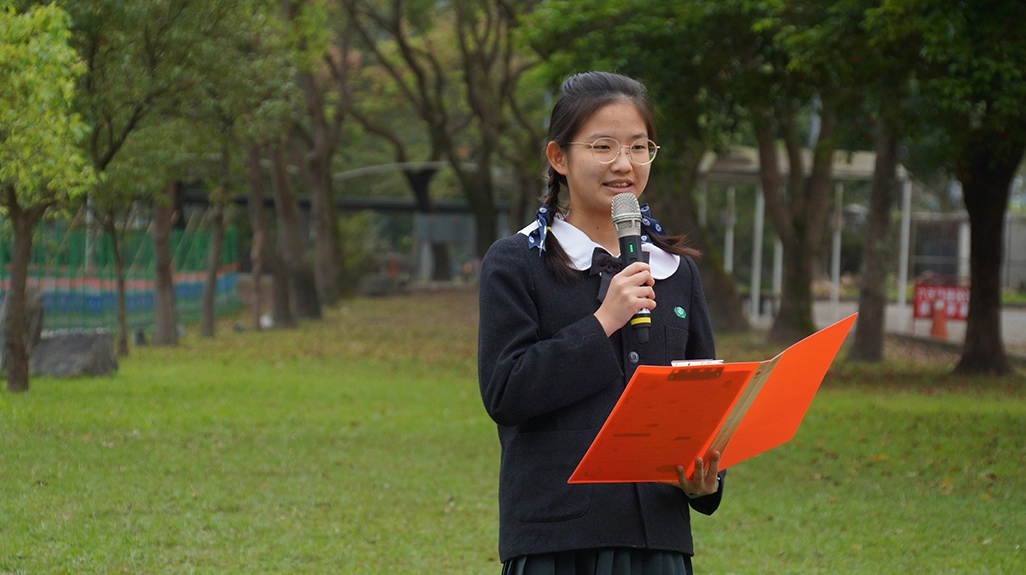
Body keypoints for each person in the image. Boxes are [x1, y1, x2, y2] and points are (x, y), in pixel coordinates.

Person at [477, 71, 725, 575]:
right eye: (603, 146)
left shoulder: (676, 272)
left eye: (639, 146)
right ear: (559, 158)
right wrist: (603, 321)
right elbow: (506, 392)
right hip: (556, 541)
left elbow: (701, 399)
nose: (623, 164)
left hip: (659, 540)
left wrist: (707, 479)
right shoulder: (517, 261)